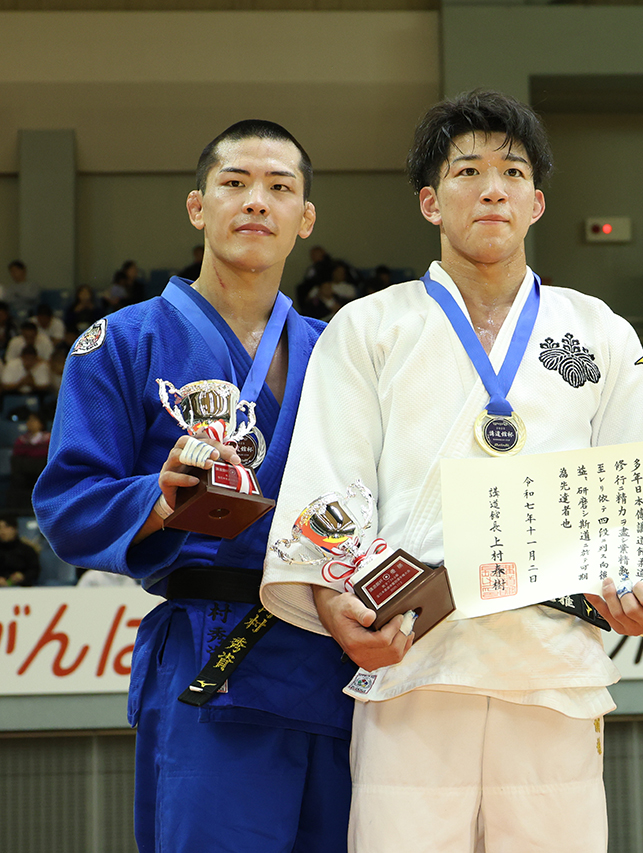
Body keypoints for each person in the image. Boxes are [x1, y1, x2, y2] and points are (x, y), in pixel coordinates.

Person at [261, 90, 643, 853]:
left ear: (538, 202)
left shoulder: (598, 333)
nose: (492, 188)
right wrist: (328, 595)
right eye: (468, 171)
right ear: (429, 201)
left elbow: (636, 493)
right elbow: (330, 476)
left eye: (513, 172)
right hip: (415, 661)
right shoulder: (370, 328)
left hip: (554, 665)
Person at [33, 120, 355, 853]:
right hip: (212, 658)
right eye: (234, 183)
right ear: (196, 205)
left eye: (279, 188)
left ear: (305, 220)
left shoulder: (341, 351)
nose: (255, 202)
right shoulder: (120, 341)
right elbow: (67, 502)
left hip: (330, 658)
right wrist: (161, 495)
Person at [9, 409, 51, 511]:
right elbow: (17, 455)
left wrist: (29, 452)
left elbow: (46, 454)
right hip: (25, 473)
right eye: (29, 420)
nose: (30, 423)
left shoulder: (49, 438)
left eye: (34, 420)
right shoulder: (21, 439)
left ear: (41, 423)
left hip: (42, 470)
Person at [0, 516, 39, 586]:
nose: (2, 531)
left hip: (23, 589)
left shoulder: (27, 550)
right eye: (0, 528)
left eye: (6, 527)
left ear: (15, 529)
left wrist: (23, 576)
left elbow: (34, 569)